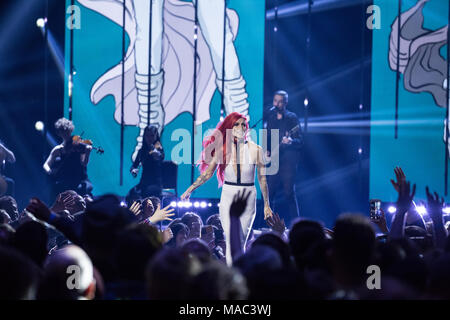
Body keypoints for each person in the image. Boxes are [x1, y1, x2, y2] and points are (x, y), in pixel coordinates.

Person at [181, 112, 273, 265]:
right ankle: (235, 273)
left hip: (248, 195)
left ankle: (235, 272)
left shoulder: (256, 149)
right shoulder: (223, 150)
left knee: (241, 238)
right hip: (228, 194)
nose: (241, 127)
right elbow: (207, 173)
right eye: (237, 124)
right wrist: (190, 188)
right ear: (230, 127)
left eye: (243, 124)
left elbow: (262, 178)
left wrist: (266, 205)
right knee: (230, 238)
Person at [265, 90, 303, 228]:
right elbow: (268, 136)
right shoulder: (271, 117)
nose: (277, 104)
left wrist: (291, 140)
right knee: (270, 193)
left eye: (280, 101)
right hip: (275, 159)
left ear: (285, 102)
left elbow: (300, 139)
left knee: (289, 193)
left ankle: (297, 226)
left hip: (288, 161)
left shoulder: (292, 118)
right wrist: (267, 149)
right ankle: (269, 225)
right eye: (275, 101)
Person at [43, 118, 93, 198]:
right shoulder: (58, 149)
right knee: (56, 192)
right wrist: (50, 171)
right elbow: (46, 165)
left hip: (80, 180)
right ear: (59, 133)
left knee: (83, 192)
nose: (66, 134)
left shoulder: (78, 145)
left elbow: (84, 163)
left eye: (68, 131)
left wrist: (87, 153)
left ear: (71, 130)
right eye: (63, 132)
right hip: (65, 182)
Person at [126, 126, 164, 204]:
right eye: (147, 136)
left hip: (155, 183)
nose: (149, 138)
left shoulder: (159, 149)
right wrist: (133, 170)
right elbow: (134, 165)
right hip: (144, 182)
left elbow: (159, 157)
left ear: (156, 136)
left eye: (152, 136)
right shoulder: (142, 151)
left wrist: (154, 151)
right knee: (130, 196)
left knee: (147, 193)